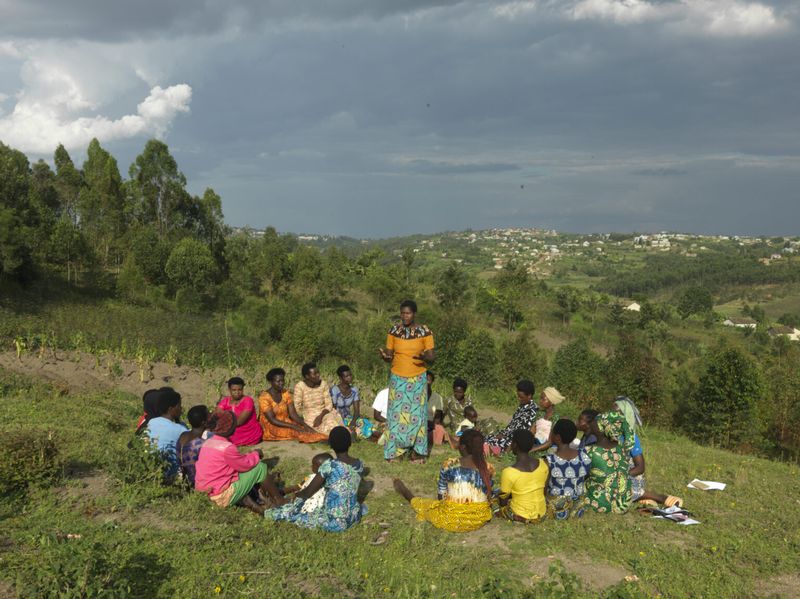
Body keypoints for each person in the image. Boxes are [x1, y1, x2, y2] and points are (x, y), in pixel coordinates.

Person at [265, 427, 367, 532]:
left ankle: (264, 511)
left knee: (294, 515)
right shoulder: (359, 465)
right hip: (353, 517)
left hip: (335, 521)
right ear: (350, 443)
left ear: (331, 445)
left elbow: (307, 493)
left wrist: (294, 496)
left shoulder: (330, 466)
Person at [392, 429, 494, 533]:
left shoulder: (450, 464)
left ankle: (405, 492)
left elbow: (441, 495)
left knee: (423, 505)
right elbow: (489, 494)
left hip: (450, 520)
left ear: (462, 447)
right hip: (479, 520)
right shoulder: (488, 467)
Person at [379, 299, 435, 463]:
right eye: (402, 313)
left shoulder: (424, 331)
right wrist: (385, 357)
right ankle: (395, 452)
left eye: (408, 313)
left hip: (417, 378)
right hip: (397, 378)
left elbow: (432, 356)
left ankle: (417, 452)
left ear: (414, 314)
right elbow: (390, 355)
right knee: (396, 416)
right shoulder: (394, 331)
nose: (405, 316)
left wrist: (425, 356)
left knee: (417, 415)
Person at [194, 410, 283, 513]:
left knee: (242, 473)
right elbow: (244, 465)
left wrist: (249, 456)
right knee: (260, 467)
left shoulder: (208, 442)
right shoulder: (227, 447)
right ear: (230, 428)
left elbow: (234, 462)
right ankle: (279, 499)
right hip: (219, 496)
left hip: (204, 493)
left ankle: (256, 501)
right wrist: (256, 454)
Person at [612, 397, 682, 509]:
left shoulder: (631, 439)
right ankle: (642, 498)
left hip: (630, 476)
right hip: (613, 474)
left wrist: (621, 476)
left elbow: (640, 467)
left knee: (620, 493)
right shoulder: (609, 434)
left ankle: (660, 497)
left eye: (616, 414)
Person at [584, 411, 634, 514]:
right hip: (623, 505)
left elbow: (582, 475)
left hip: (600, 504)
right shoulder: (622, 449)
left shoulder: (590, 451)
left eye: (594, 422)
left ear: (600, 428)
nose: (591, 424)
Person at [259, 368, 327, 443]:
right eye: (278, 381)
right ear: (270, 382)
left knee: (305, 429)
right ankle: (320, 439)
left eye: (283, 380)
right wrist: (294, 426)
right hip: (271, 426)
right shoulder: (264, 397)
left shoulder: (285, 393)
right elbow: (272, 420)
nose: (281, 383)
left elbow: (293, 414)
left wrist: (305, 425)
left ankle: (321, 437)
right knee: (296, 432)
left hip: (285, 422)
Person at [544, 419, 591, 520]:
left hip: (556, 508)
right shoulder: (584, 456)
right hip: (577, 508)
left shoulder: (550, 460)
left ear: (557, 437)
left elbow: (543, 489)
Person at [498, 430, 548, 523]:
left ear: (515, 445)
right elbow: (544, 492)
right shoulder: (543, 464)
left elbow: (503, 499)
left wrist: (503, 507)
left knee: (495, 498)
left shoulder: (509, 472)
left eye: (512, 442)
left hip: (520, 514)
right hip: (542, 512)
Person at [484, 380, 538, 456]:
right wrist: (502, 433)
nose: (519, 399)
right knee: (484, 438)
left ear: (529, 396)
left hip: (512, 442)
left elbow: (520, 435)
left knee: (484, 444)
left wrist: (505, 438)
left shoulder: (531, 412)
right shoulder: (523, 406)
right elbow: (512, 425)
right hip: (507, 436)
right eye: (518, 396)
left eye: (521, 397)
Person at [145, 387, 188, 479]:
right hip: (171, 474)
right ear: (171, 409)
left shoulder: (152, 422)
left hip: (152, 470)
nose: (181, 408)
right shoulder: (179, 429)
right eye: (179, 405)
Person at [294, 363, 344, 435]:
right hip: (310, 417)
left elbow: (329, 404)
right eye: (314, 374)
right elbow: (297, 407)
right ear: (307, 376)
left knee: (330, 421)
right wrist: (303, 418)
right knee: (322, 429)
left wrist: (320, 417)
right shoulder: (300, 386)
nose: (318, 375)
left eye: (318, 372)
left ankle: (339, 435)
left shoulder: (323, 384)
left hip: (325, 413)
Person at [330, 365, 374, 440]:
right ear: (341, 378)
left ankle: (375, 435)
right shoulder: (335, 390)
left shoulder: (354, 390)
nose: (349, 377)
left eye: (350, 375)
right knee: (339, 427)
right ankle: (352, 434)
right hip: (336, 418)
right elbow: (332, 409)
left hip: (348, 418)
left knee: (364, 422)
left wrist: (353, 422)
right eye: (346, 376)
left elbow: (357, 411)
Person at [216, 377, 263, 446]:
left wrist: (224, 422)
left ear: (243, 389)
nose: (237, 392)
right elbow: (218, 414)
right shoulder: (225, 401)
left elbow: (239, 422)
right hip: (230, 428)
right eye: (234, 390)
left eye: (240, 390)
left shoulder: (248, 401)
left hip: (247, 432)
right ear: (229, 390)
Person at [177, 405, 211, 487]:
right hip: (196, 482)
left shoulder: (183, 435)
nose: (211, 417)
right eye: (209, 415)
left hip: (184, 479)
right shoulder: (202, 444)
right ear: (204, 423)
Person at [530, 387, 565, 451]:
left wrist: (532, 450)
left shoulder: (556, 418)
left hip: (546, 447)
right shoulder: (540, 414)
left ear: (551, 402)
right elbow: (531, 432)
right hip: (535, 442)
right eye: (540, 398)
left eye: (543, 399)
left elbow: (550, 442)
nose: (540, 401)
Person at [426, 371, 445, 442]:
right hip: (417, 424)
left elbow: (437, 419)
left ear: (432, 382)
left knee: (439, 429)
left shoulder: (437, 397)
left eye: (428, 380)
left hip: (430, 426)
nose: (426, 382)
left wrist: (430, 424)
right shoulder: (415, 396)